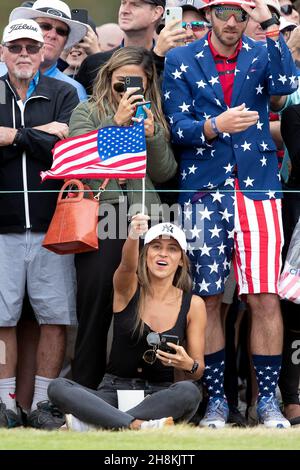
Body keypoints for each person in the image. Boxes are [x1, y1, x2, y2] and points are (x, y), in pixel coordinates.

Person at [163, 0, 298, 428]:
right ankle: (217, 401)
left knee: (264, 296)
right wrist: (216, 125)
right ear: (208, 15)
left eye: (240, 13)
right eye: (223, 12)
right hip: (204, 191)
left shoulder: (262, 50)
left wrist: (271, 24)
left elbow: (287, 82)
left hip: (258, 189)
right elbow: (177, 128)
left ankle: (268, 404)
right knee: (207, 299)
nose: (232, 22)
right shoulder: (181, 57)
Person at [69, 46, 177, 389]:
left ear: (148, 85)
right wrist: (115, 124)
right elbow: (81, 166)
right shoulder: (86, 111)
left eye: (136, 83)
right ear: (108, 77)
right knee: (97, 304)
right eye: (121, 83)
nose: (128, 90)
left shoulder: (153, 116)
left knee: (147, 307)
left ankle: (142, 390)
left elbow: (165, 172)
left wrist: (154, 137)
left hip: (147, 215)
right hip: (103, 216)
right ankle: (83, 392)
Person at [48, 214, 206, 431]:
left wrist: (188, 364)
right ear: (145, 253)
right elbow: (126, 266)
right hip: (113, 391)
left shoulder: (193, 304)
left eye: (172, 249)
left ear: (181, 260)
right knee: (58, 387)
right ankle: (136, 425)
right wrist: (133, 235)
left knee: (190, 392)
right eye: (156, 246)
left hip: (158, 395)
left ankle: (99, 423)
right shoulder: (127, 289)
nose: (163, 254)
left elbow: (197, 370)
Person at [0, 19, 79, 429]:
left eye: (32, 46)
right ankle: (6, 404)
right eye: (17, 47)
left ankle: (47, 405)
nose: (25, 54)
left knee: (54, 317)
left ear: (43, 51)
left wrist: (11, 136)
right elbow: (47, 141)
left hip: (54, 228)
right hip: (2, 229)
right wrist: (35, 135)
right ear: (3, 52)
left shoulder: (63, 92)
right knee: (2, 319)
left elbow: (67, 149)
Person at [75, 0, 190, 94]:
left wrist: (158, 57)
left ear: (156, 12)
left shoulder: (173, 65)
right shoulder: (94, 63)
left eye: (135, 5)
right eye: (123, 3)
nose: (125, 10)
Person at [9, 0, 89, 101]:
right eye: (44, 26)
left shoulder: (74, 91)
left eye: (61, 31)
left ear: (66, 42)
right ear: (26, 30)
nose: (52, 35)